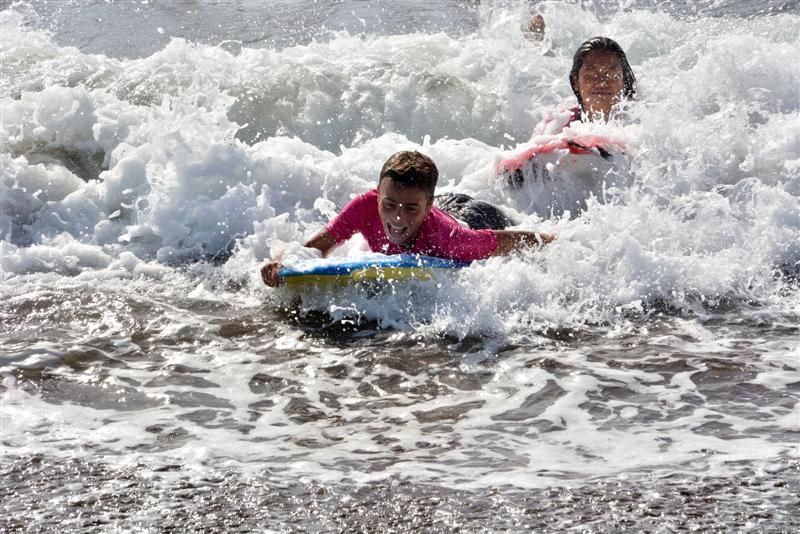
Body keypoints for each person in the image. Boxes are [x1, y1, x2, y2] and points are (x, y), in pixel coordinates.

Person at [261, 151, 554, 287]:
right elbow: (320, 244)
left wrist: (552, 243)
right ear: (377, 197)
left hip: (472, 215)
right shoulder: (364, 207)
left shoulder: (450, 239)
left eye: (410, 209)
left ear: (425, 209)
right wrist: (285, 263)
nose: (397, 217)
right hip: (435, 201)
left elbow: (503, 242)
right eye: (388, 205)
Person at [535, 36, 636, 135]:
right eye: (592, 75)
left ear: (624, 82)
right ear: (575, 82)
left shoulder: (638, 124)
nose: (602, 83)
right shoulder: (557, 127)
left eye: (612, 75)